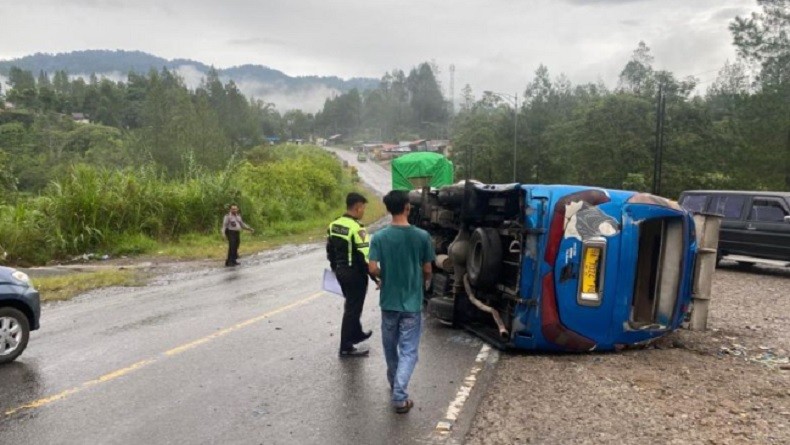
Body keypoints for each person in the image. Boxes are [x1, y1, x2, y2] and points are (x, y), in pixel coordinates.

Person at [368, 190, 435, 414]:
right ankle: (399, 395)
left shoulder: (378, 237)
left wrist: (383, 277)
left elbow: (372, 268)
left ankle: (395, 383)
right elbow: (427, 269)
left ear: (388, 209)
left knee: (390, 347)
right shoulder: (422, 237)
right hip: (412, 304)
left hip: (388, 302)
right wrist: (423, 282)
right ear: (408, 207)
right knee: (409, 351)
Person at [326, 192, 377, 357]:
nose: (364, 211)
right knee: (353, 309)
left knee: (352, 305)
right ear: (358, 207)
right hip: (355, 274)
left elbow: (330, 250)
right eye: (363, 208)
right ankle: (346, 346)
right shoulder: (357, 229)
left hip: (341, 271)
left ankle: (357, 333)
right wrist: (376, 277)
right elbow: (365, 257)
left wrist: (335, 268)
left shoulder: (333, 225)